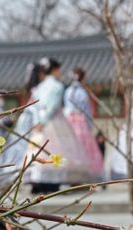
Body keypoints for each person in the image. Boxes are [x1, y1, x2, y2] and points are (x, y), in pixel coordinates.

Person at [23, 58, 90, 193]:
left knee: (40, 150)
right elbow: (53, 106)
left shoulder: (40, 86)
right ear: (55, 70)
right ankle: (54, 181)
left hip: (39, 122)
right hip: (54, 121)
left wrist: (38, 121)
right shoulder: (57, 86)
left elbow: (35, 106)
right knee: (56, 150)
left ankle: (39, 180)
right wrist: (44, 120)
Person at [63, 67, 104, 181]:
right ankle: (84, 176)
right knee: (84, 148)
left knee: (71, 149)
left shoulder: (68, 91)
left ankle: (71, 175)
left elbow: (67, 107)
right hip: (80, 122)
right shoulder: (82, 92)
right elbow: (86, 111)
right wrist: (89, 125)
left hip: (69, 121)